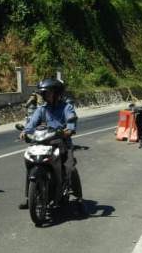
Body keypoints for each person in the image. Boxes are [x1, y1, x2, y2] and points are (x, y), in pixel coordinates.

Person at [18, 78, 84, 212]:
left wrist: (69, 129)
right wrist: (25, 131)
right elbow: (31, 124)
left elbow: (71, 121)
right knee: (31, 163)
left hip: (62, 143)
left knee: (70, 168)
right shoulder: (42, 109)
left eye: (48, 93)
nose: (46, 95)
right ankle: (29, 198)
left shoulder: (66, 107)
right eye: (44, 93)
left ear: (57, 93)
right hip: (43, 142)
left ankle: (78, 198)